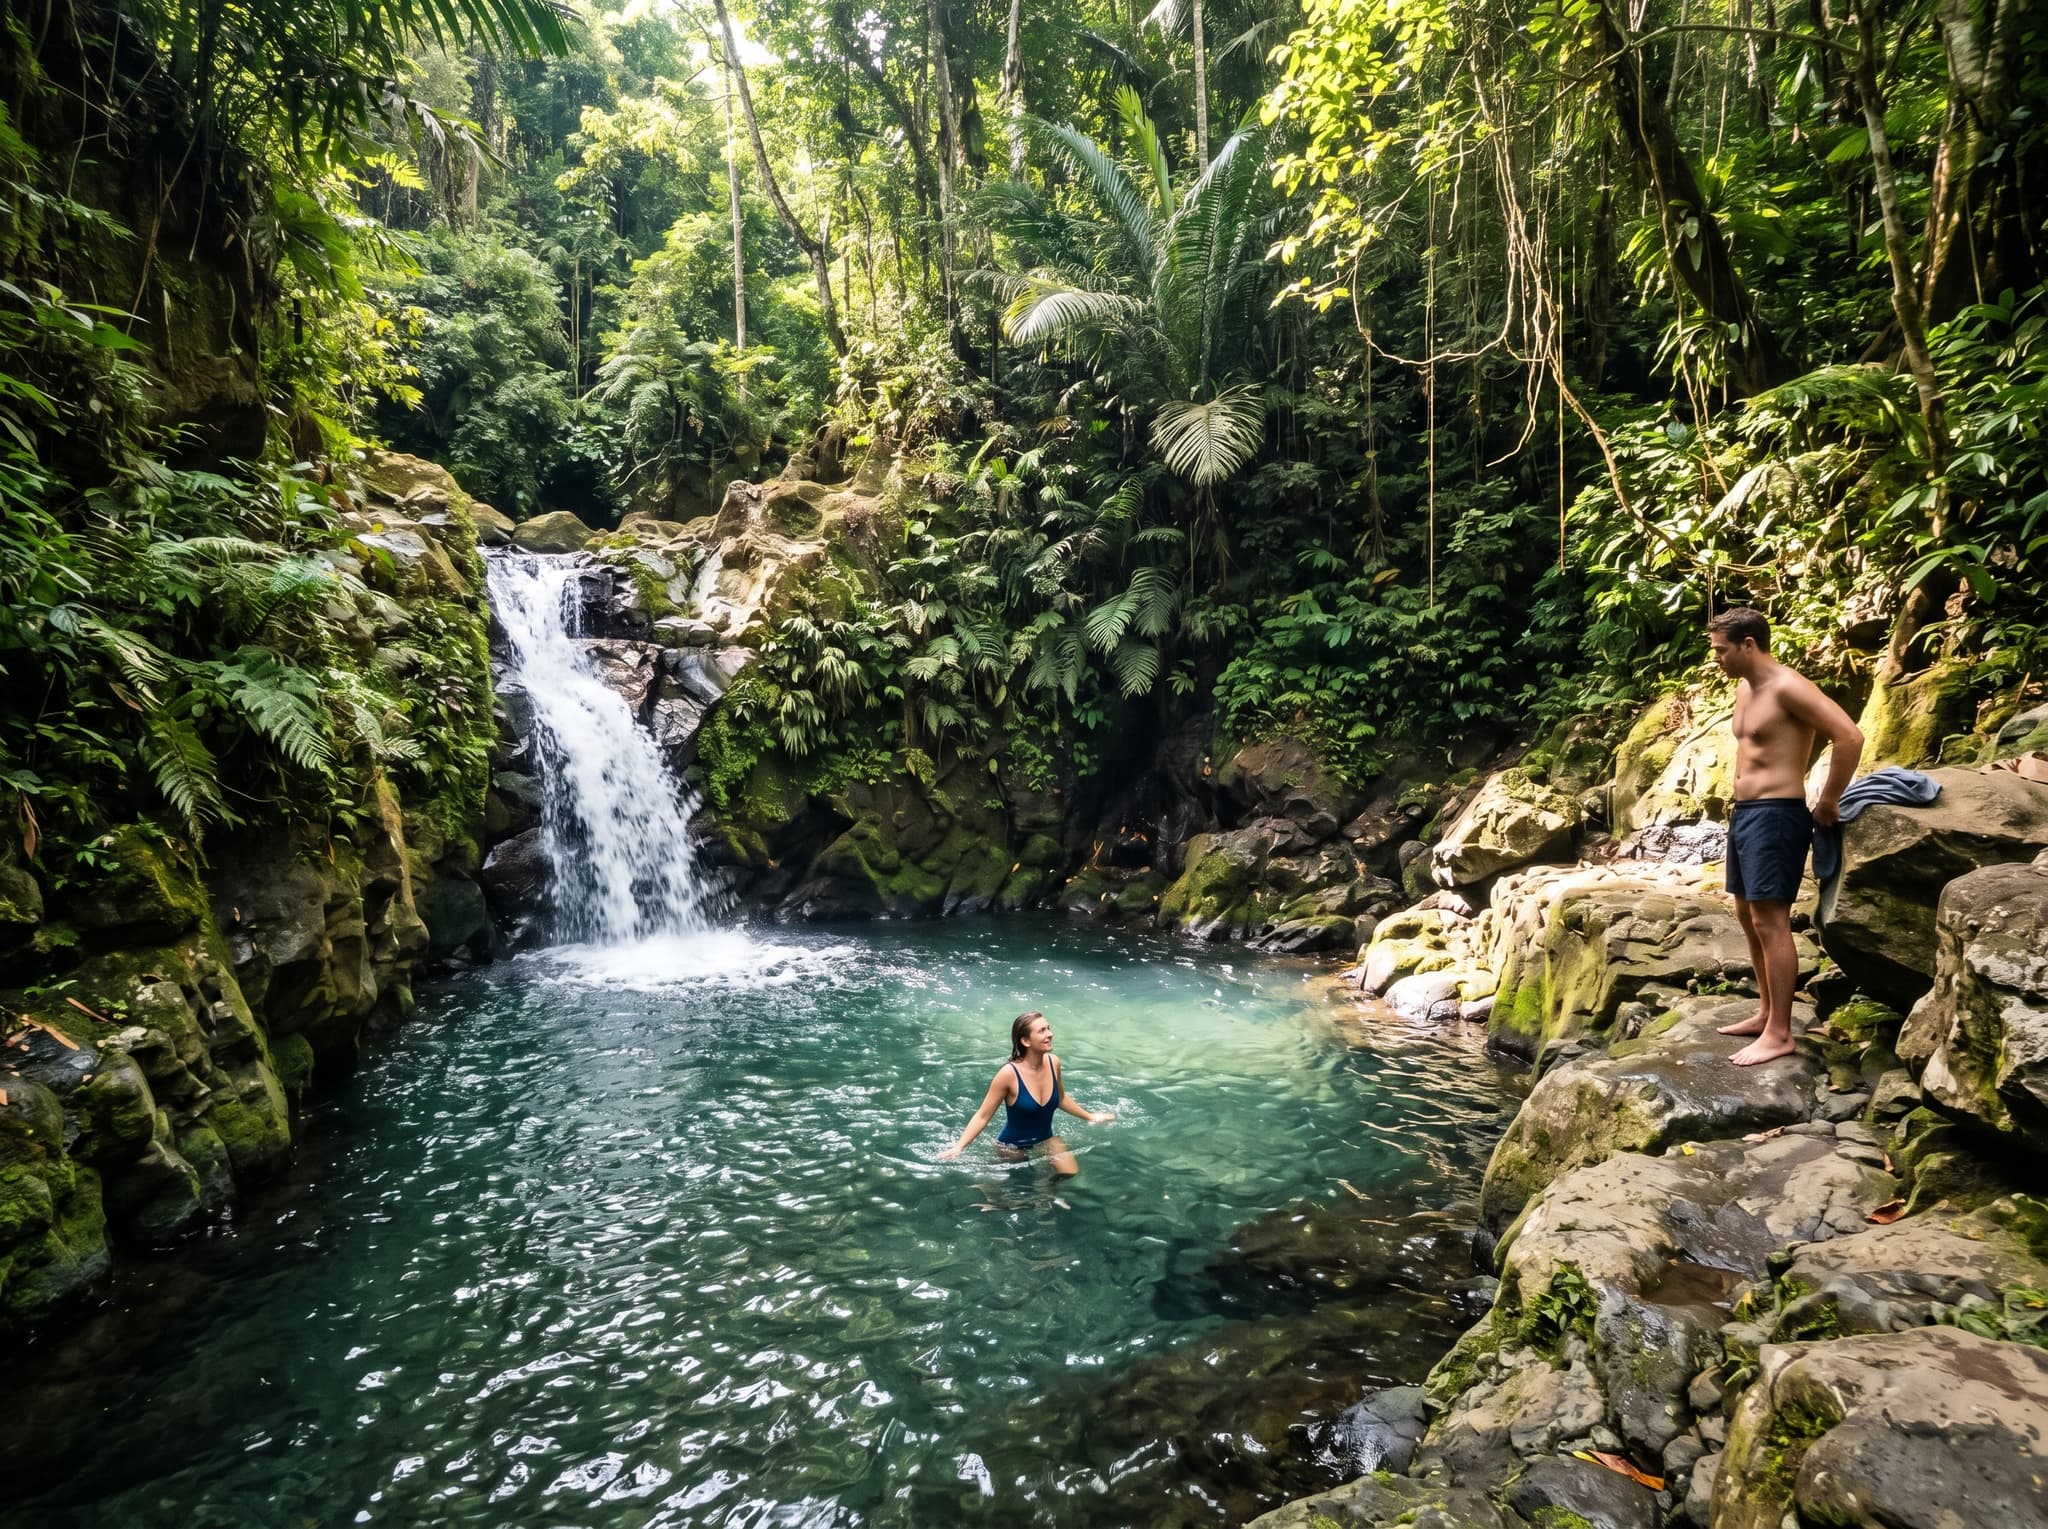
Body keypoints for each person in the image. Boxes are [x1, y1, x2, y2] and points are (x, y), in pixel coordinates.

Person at [1706, 608, 1864, 1066]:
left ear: (1748, 644)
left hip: (1777, 814)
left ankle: (1780, 1033)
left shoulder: (1789, 687)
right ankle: (1764, 1012)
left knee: (1771, 921)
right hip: (1746, 814)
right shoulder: (1744, 686)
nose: (1716, 658)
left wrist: (1830, 799)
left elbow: (1849, 737)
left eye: (1721, 650)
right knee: (1746, 913)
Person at [937, 1011, 1114, 1175]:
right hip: (1012, 1146)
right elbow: (983, 1116)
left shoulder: (1054, 1063)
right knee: (1023, 1184)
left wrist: (1090, 1116)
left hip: (1046, 1138)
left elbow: (1060, 1098)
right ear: (1026, 1041)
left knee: (1068, 1173)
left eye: (1049, 1028)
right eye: (1042, 1031)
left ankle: (1047, 1194)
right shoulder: (1008, 1074)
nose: (1050, 1034)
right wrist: (959, 1147)